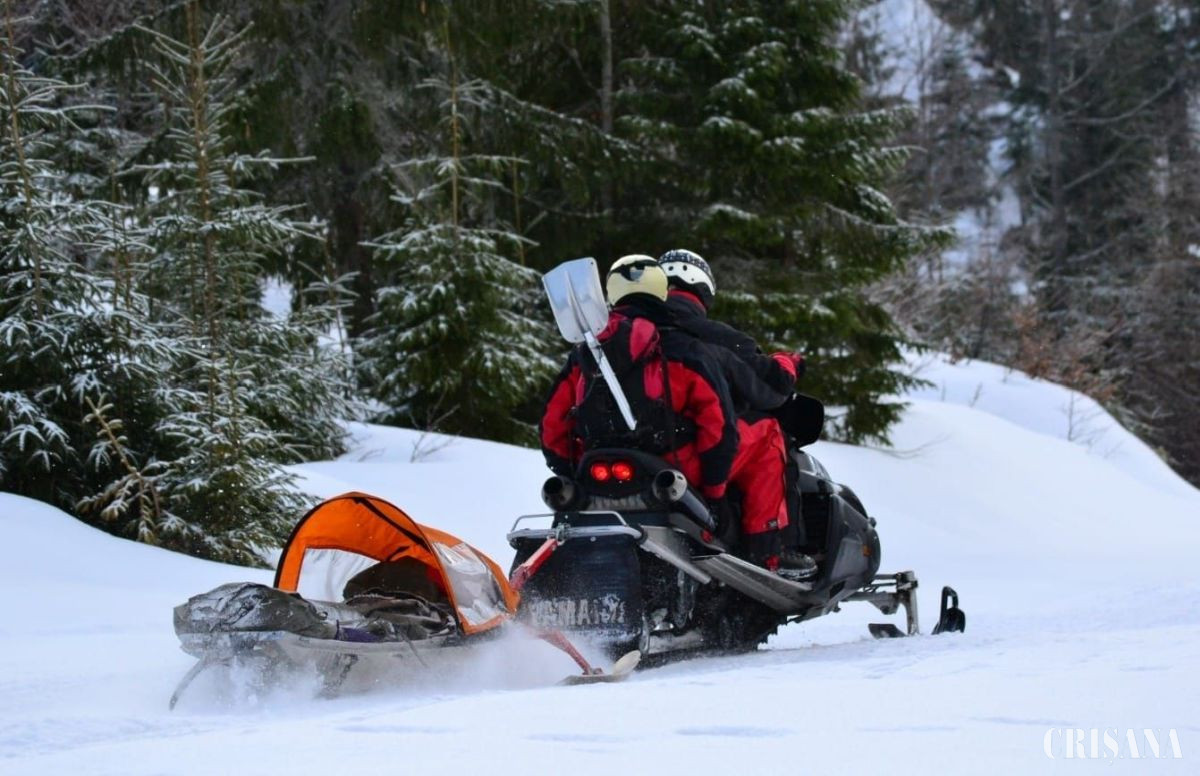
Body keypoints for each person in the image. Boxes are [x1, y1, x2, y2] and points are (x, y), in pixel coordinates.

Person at [658, 248, 815, 579]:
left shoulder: (627, 334)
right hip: (684, 456)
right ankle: (768, 549)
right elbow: (771, 387)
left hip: (623, 455)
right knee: (768, 432)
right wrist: (788, 362)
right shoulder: (713, 337)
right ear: (702, 287)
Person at [539, 255, 739, 503]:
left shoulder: (586, 352)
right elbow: (719, 426)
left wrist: (572, 472)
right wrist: (714, 491)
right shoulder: (685, 349)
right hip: (674, 472)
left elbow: (552, 427)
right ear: (662, 290)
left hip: (595, 469)